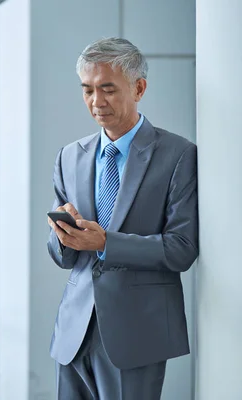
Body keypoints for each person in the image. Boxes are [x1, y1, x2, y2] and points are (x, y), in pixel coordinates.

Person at [46, 37, 199, 400]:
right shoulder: (70, 156)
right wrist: (61, 235)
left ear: (139, 88)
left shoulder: (178, 155)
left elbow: (182, 249)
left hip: (137, 333)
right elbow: (60, 255)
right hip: (74, 331)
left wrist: (105, 243)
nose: (96, 102)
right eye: (87, 90)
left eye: (108, 89)